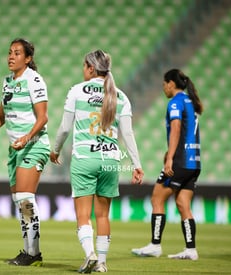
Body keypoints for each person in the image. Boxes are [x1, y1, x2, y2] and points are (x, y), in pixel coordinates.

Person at [50, 49, 144, 273]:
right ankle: (101, 263)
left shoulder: (76, 91)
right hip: (110, 160)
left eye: (84, 66)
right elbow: (128, 134)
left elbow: (64, 128)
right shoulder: (120, 96)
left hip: (84, 158)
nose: (83, 70)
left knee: (83, 215)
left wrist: (55, 150)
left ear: (91, 68)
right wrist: (137, 165)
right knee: (103, 215)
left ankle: (90, 254)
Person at [0, 38, 50, 267]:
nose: (11, 56)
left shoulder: (34, 80)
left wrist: (26, 138)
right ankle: (28, 251)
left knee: (25, 198)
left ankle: (33, 253)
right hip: (15, 149)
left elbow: (43, 117)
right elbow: (1, 116)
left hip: (34, 145)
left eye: (17, 53)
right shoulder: (7, 82)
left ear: (28, 59)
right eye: (9, 52)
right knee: (19, 199)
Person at [131, 69, 203, 260]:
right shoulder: (190, 102)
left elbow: (177, 128)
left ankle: (155, 245)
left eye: (164, 84)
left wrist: (170, 157)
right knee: (183, 203)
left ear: (171, 83)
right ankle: (191, 249)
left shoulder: (176, 102)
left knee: (157, 198)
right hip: (194, 162)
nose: (163, 88)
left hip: (180, 161)